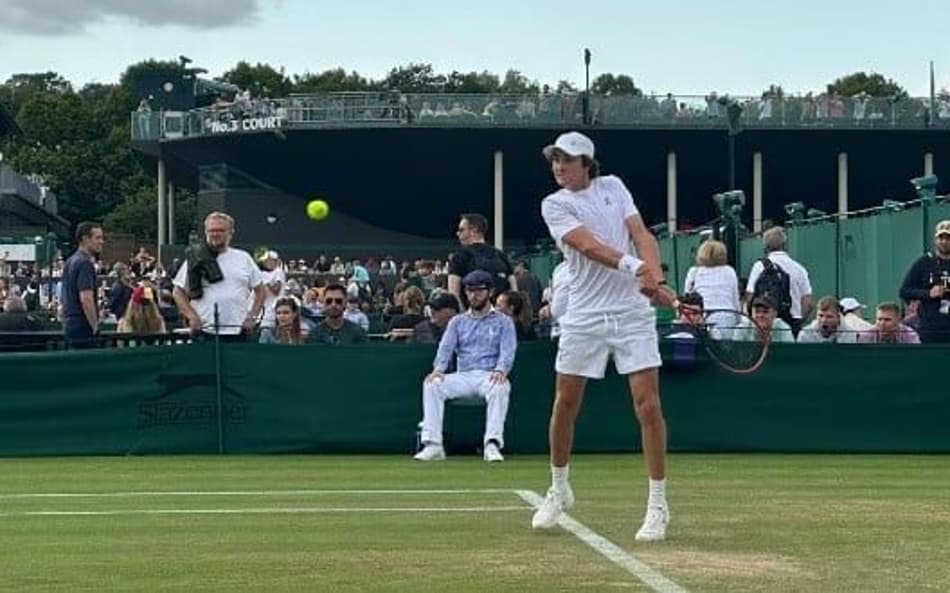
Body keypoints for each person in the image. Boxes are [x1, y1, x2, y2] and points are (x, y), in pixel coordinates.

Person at [530, 131, 676, 541]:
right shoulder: (555, 204)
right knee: (565, 403)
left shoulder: (613, 186)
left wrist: (655, 277)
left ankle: (658, 506)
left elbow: (642, 234)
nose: (559, 166)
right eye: (556, 159)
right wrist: (638, 271)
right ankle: (558, 489)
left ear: (587, 164)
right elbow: (590, 247)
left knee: (648, 407)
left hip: (632, 314)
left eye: (568, 160)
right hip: (584, 315)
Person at [414, 270, 517, 463]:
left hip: (489, 375)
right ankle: (433, 445)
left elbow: (508, 351)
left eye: (478, 291)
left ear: (490, 292)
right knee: (432, 384)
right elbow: (445, 349)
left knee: (501, 387)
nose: (473, 295)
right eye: (469, 291)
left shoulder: (504, 322)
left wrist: (501, 370)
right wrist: (438, 370)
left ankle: (492, 444)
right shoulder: (457, 322)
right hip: (463, 376)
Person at [172, 212, 265, 341]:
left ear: (231, 232)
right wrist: (191, 316)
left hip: (239, 330)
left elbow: (261, 290)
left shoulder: (243, 258)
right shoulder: (195, 258)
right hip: (205, 330)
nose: (215, 234)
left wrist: (253, 315)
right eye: (211, 230)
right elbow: (178, 292)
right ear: (206, 232)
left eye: (220, 230)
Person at [899, 220, 950, 343]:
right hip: (931, 328)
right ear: (935, 239)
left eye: (948, 238)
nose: (944, 242)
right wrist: (928, 294)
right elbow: (904, 291)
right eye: (941, 238)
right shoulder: (924, 262)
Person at [447, 213, 516, 302]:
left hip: (472, 312)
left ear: (473, 231)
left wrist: (463, 315)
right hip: (500, 312)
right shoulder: (500, 255)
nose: (457, 233)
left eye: (461, 230)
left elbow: (453, 294)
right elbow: (514, 292)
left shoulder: (459, 256)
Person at [61, 221, 104, 348]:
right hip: (82, 325)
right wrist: (95, 327)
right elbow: (86, 299)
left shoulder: (70, 261)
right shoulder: (85, 263)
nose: (102, 241)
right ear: (85, 239)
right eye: (98, 238)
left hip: (70, 323)